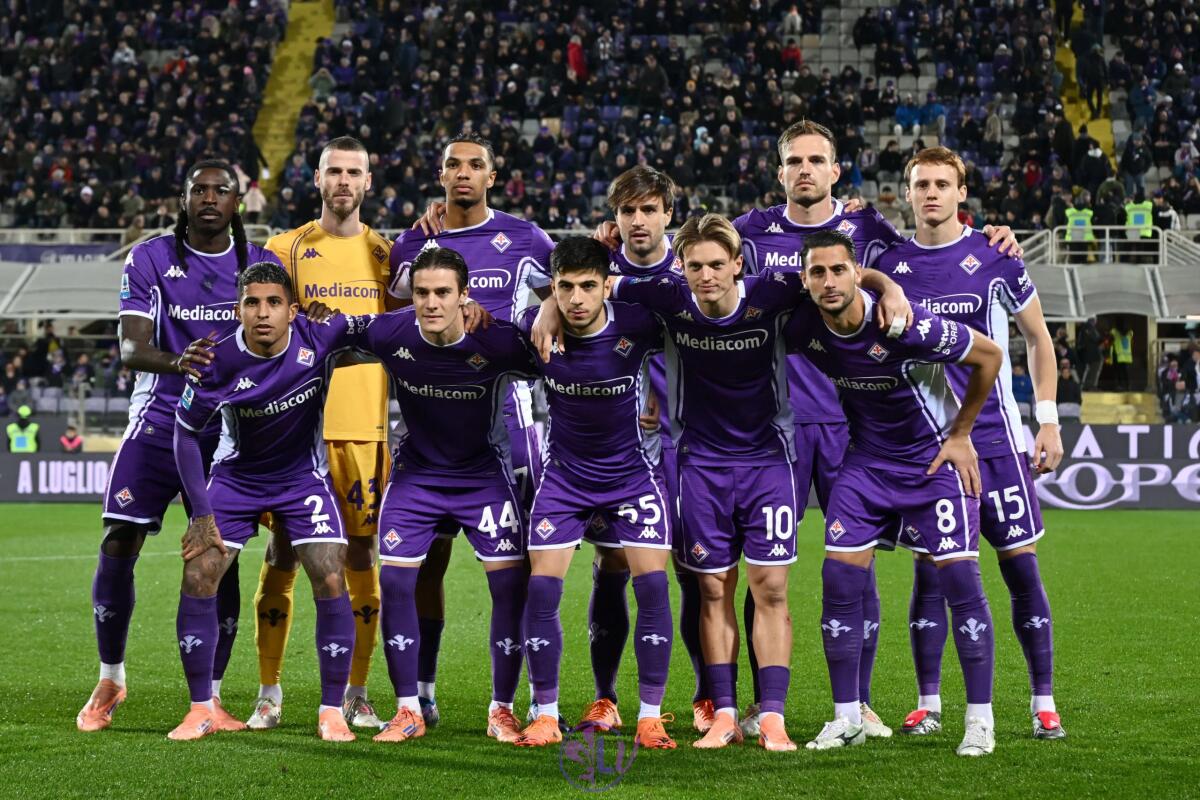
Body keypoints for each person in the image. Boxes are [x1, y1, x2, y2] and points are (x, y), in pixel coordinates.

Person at [536, 213, 910, 751]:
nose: (706, 275)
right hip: (700, 467)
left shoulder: (774, 290)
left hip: (768, 465)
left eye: (717, 264)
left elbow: (843, 275)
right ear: (681, 268)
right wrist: (551, 306)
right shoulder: (667, 296)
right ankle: (726, 714)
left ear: (738, 264)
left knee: (772, 589)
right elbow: (588, 286)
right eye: (695, 266)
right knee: (712, 588)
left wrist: (888, 286)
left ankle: (774, 715)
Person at [728, 120, 1019, 738]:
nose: (805, 170)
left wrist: (990, 240)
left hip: (852, 426)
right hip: (777, 425)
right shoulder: (750, 231)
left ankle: (857, 704)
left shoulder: (868, 229)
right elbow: (684, 263)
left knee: (856, 569)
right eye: (794, 161)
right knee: (767, 569)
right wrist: (607, 241)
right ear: (779, 171)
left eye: (817, 160)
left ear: (837, 171)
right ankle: (762, 701)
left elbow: (908, 263)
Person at [77, 160, 286, 734]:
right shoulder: (148, 257)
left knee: (221, 552)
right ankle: (111, 676)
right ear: (185, 198)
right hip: (159, 416)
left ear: (239, 202)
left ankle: (212, 697)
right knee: (119, 538)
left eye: (222, 190)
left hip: (230, 429)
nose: (210, 198)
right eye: (200, 189)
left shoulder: (258, 262)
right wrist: (180, 362)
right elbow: (129, 348)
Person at [785, 230, 1004, 756]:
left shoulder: (905, 325)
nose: (829, 281)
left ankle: (980, 720)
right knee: (837, 580)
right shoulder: (803, 324)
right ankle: (846, 717)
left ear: (856, 273)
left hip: (931, 467)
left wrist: (961, 433)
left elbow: (991, 356)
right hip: (865, 468)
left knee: (962, 585)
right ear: (805, 281)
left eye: (839, 270)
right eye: (818, 272)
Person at [876, 146, 1068, 740]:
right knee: (932, 575)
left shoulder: (996, 256)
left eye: (941, 183)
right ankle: (928, 703)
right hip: (928, 450)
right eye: (919, 183)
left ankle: (1043, 701)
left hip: (997, 443)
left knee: (1022, 574)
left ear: (962, 193)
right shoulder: (888, 264)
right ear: (905, 194)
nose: (930, 192)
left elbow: (1038, 338)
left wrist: (1049, 418)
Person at [392, 134, 554, 726]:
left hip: (515, 426)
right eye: (454, 165)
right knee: (426, 564)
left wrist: (517, 322)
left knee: (525, 569)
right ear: (441, 175)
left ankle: (525, 701)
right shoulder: (415, 242)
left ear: (493, 175)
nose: (464, 174)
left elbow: (560, 301)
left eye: (475, 165)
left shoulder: (528, 239)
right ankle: (424, 693)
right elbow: (396, 318)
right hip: (435, 427)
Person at [170, 263, 365, 742]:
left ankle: (330, 710)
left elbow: (385, 329)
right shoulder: (216, 360)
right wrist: (201, 512)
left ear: (291, 309)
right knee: (199, 570)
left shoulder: (320, 336)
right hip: (238, 478)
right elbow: (185, 433)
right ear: (238, 309)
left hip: (302, 478)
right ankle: (201, 708)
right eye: (252, 303)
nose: (262, 313)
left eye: (274, 302)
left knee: (330, 572)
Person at [250, 136, 395, 731]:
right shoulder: (284, 249)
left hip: (364, 428)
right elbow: (257, 333)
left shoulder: (389, 255)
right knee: (283, 549)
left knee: (361, 552)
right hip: (294, 429)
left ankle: (357, 691)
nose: (343, 181)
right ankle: (268, 691)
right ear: (317, 179)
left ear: (368, 181)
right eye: (333, 170)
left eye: (353, 171)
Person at [362, 248, 534, 745]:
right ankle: (408, 708)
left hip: (484, 476)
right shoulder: (391, 332)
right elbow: (331, 336)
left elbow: (560, 362)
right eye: (421, 293)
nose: (431, 303)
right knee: (393, 582)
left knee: (509, 588)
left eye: (442, 293)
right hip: (416, 477)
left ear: (464, 296)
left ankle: (502, 708)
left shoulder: (497, 342)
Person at [511, 237, 675, 749]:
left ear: (607, 285)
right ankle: (546, 712)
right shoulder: (532, 331)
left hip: (631, 475)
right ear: (552, 288)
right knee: (541, 588)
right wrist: (542, 307)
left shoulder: (637, 323)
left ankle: (649, 715)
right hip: (565, 479)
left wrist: (659, 396)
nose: (577, 299)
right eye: (565, 288)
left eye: (588, 286)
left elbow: (691, 325)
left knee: (651, 587)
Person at [1076, 317, 1104, 389]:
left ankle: (1085, 386)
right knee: (1094, 371)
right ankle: (1091, 386)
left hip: (1087, 354)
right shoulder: (1089, 327)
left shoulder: (1082, 329)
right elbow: (1096, 338)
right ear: (1093, 321)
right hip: (1094, 355)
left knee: (1088, 370)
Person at [1110, 322, 1134, 390]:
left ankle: (1121, 385)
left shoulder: (1116, 333)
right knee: (1124, 372)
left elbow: (1111, 334)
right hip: (1125, 357)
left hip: (1118, 356)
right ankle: (1126, 385)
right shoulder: (1129, 334)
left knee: (1119, 372)